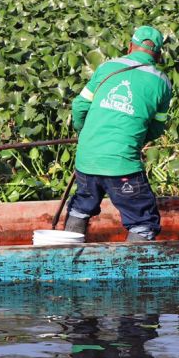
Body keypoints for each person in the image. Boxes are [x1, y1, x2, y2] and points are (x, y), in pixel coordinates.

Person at [64, 25, 172, 242]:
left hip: (87, 159)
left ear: (131, 46)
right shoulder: (162, 82)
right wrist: (134, 140)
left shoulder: (107, 67)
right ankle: (133, 271)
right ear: (158, 55)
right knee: (143, 221)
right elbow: (157, 128)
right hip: (122, 163)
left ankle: (67, 258)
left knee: (81, 207)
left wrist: (84, 133)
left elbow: (79, 106)